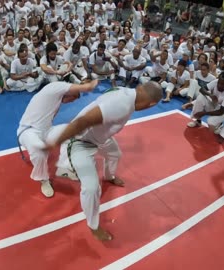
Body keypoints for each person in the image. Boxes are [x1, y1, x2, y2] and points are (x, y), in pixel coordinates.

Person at [46, 81, 163, 241]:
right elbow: (82, 122)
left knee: (115, 154)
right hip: (80, 142)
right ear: (152, 104)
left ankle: (109, 177)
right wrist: (59, 140)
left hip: (99, 138)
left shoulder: (126, 91)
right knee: (92, 188)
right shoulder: (121, 105)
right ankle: (93, 226)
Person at [17, 80, 99, 198]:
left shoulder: (55, 100)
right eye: (74, 98)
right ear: (69, 92)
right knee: (39, 149)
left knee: (71, 131)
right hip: (28, 131)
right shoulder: (54, 87)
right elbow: (83, 87)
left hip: (46, 131)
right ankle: (44, 180)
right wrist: (91, 84)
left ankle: (65, 168)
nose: (73, 101)